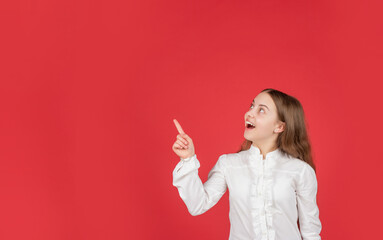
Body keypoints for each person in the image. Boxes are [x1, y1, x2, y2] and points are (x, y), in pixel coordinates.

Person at [171, 88, 322, 240]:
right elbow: (198, 204)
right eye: (252, 106)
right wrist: (188, 159)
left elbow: (310, 232)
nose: (249, 113)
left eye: (261, 110)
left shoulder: (301, 171)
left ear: (279, 127)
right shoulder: (228, 164)